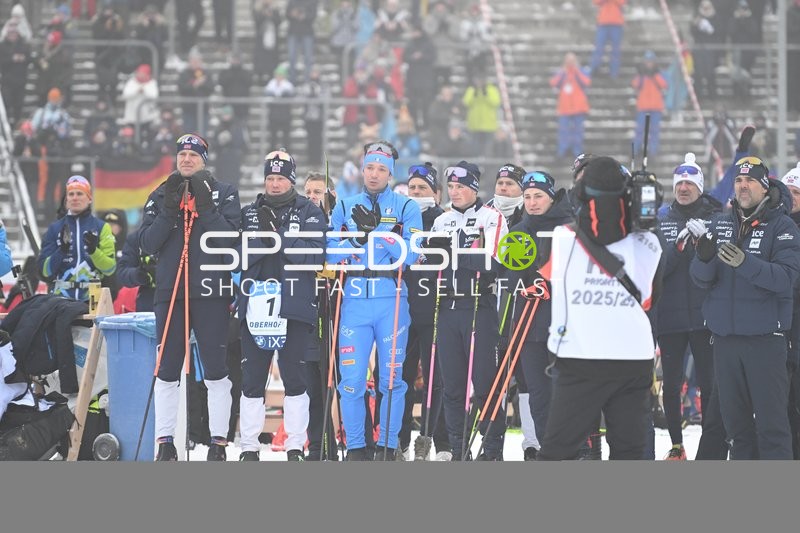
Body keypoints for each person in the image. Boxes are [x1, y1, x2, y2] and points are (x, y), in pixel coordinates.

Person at [537, 156, 663, 460]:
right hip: (633, 357)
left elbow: (548, 274)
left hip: (579, 356)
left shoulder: (563, 238)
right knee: (628, 451)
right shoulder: (649, 243)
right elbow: (648, 300)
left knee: (558, 451)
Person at [689, 156, 800, 459]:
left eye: (750, 180)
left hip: (765, 342)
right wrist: (704, 257)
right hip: (725, 341)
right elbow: (700, 281)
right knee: (736, 431)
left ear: (764, 187)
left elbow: (786, 278)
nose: (743, 185)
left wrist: (745, 262)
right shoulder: (721, 223)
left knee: (772, 428)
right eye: (738, 180)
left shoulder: (783, 226)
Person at [139, 133, 241, 461]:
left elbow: (231, 241)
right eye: (182, 154)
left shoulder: (225, 193)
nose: (186, 159)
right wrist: (170, 211)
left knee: (215, 369)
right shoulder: (160, 192)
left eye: (193, 155)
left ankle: (218, 441)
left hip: (211, 292)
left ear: (204, 160)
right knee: (167, 368)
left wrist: (206, 208)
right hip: (170, 292)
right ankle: (165, 441)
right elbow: (147, 244)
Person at [326, 140, 423, 460]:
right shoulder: (344, 204)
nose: (374, 174)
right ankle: (355, 447)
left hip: (391, 301)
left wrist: (380, 234)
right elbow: (329, 251)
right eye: (370, 167)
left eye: (382, 169)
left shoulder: (406, 206)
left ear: (390, 173)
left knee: (392, 381)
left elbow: (412, 254)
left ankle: (388, 445)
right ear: (362, 169)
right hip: (354, 300)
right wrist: (357, 238)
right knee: (351, 382)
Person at [237, 150, 326, 461]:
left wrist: (280, 236)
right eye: (270, 178)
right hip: (255, 305)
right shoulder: (249, 212)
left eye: (281, 178)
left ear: (292, 180)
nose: (274, 184)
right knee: (252, 379)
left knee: (295, 378)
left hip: (296, 304)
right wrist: (266, 240)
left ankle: (294, 446)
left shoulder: (310, 211)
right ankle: (248, 446)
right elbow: (238, 256)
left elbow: (316, 255)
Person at [429, 161, 509, 460]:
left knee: (486, 384)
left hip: (479, 305)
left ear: (474, 188)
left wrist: (456, 254)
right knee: (452, 386)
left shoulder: (492, 218)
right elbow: (431, 263)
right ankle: (460, 448)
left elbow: (493, 263)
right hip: (447, 306)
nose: (455, 191)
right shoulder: (442, 220)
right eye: (451, 186)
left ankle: (492, 450)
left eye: (461, 187)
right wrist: (437, 254)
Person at [654, 153, 725, 460]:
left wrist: (706, 246)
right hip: (669, 317)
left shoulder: (716, 217)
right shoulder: (662, 219)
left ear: (699, 187)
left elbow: (722, 267)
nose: (683, 188)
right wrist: (678, 248)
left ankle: (710, 447)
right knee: (671, 384)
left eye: (689, 184)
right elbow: (656, 269)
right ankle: (676, 445)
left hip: (704, 316)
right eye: (679, 183)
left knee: (709, 385)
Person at [506, 171, 574, 459]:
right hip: (529, 323)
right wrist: (526, 282)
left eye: (539, 196)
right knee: (538, 392)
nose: (533, 202)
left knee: (564, 389)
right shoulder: (519, 229)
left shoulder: (569, 227)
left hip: (563, 324)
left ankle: (571, 447)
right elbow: (510, 278)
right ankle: (548, 449)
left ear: (551, 197)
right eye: (528, 197)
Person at [394, 163, 450, 460]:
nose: (416, 193)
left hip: (433, 309)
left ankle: (432, 439)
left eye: (423, 189)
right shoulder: (399, 220)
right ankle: (399, 440)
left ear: (436, 193)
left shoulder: (442, 220)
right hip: (402, 309)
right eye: (412, 188)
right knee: (399, 376)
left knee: (435, 377)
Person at [37, 175, 117, 301]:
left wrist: (93, 251)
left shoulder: (102, 227)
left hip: (92, 298)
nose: (75, 198)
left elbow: (110, 269)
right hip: (61, 298)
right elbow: (45, 271)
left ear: (89, 198)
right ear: (66, 199)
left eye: (80, 194)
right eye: (71, 194)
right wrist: (61, 251)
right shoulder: (54, 228)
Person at [781, 163, 800, 459]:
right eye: (788, 191)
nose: (791, 197)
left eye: (797, 192)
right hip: (780, 325)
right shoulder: (774, 224)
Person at [550, 53, 591, 159]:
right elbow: (554, 82)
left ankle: (577, 151)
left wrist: (576, 71)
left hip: (578, 106)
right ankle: (563, 150)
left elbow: (586, 82)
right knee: (564, 130)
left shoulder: (580, 71)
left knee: (578, 130)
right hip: (564, 107)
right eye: (568, 61)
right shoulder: (562, 72)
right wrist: (563, 72)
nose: (570, 63)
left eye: (572, 61)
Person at [632, 50, 667, 158]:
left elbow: (664, 84)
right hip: (643, 107)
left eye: (651, 62)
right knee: (639, 130)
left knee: (654, 131)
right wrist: (642, 74)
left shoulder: (658, 74)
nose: (649, 64)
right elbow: (635, 84)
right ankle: (636, 150)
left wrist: (655, 75)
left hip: (656, 107)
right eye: (647, 62)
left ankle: (653, 152)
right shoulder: (641, 75)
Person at [588, 0, 626, 79]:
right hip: (603, 23)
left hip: (616, 23)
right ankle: (595, 68)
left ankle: (614, 72)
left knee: (615, 50)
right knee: (599, 47)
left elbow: (622, 2)